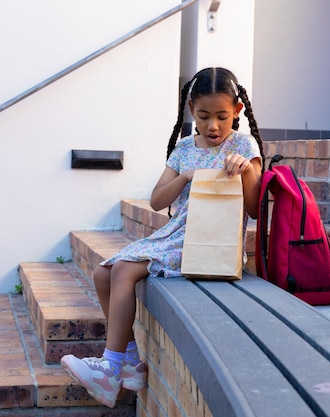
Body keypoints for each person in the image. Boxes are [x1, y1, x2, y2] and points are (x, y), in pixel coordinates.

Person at [61, 67, 264, 408]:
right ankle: (127, 359)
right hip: (174, 235)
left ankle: (111, 368)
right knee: (102, 272)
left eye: (222, 116)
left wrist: (245, 169)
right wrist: (184, 176)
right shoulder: (185, 148)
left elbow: (256, 208)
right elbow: (157, 202)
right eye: (203, 116)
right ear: (190, 110)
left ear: (238, 111)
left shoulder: (243, 145)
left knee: (124, 269)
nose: (212, 126)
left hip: (209, 244)